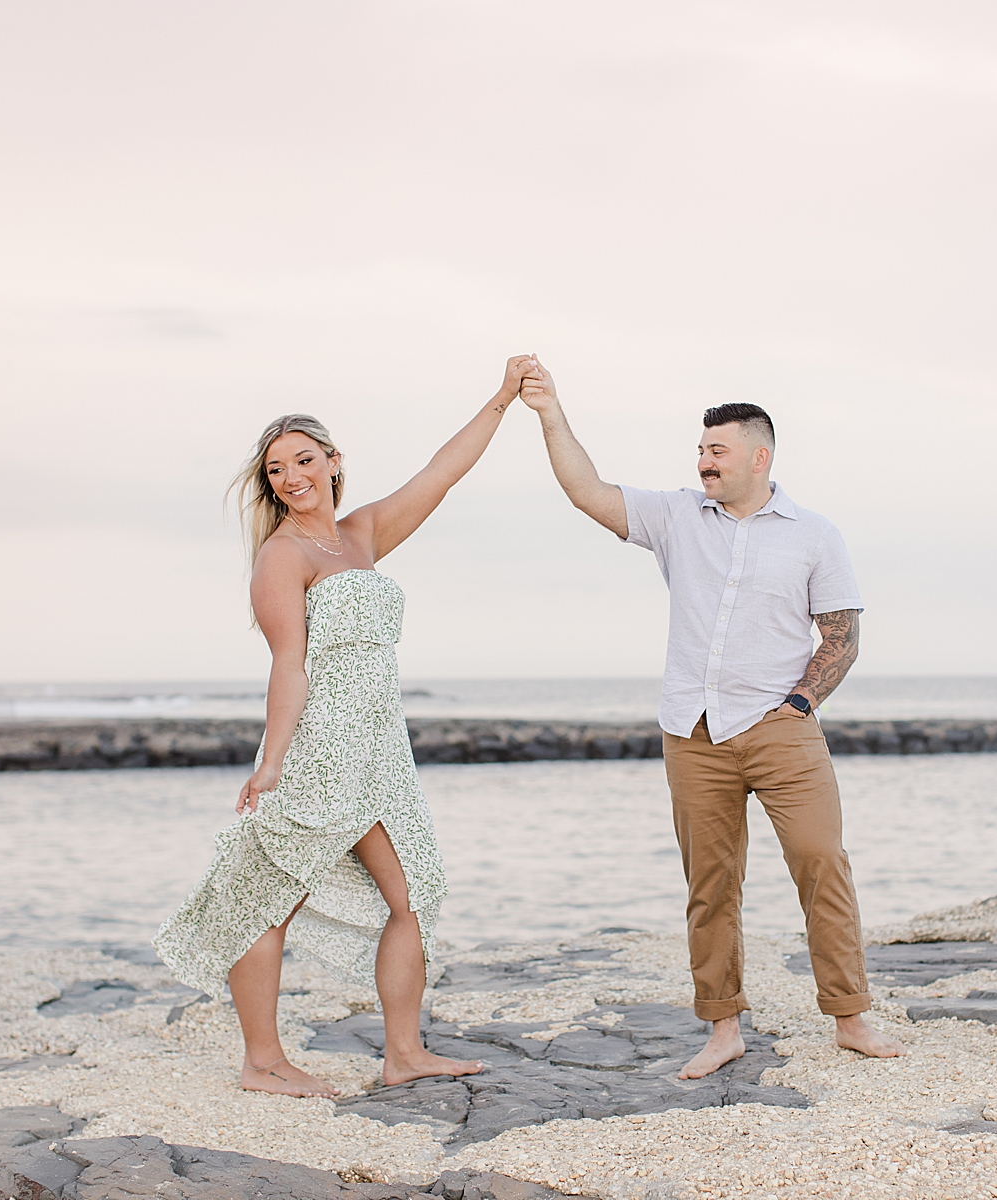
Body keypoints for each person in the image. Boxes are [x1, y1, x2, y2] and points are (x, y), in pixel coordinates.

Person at [155, 356, 535, 1096]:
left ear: (333, 462)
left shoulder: (361, 535)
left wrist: (500, 400)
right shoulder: (282, 556)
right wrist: (270, 764)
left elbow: (440, 474)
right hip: (323, 751)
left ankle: (403, 1052)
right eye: (276, 470)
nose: (291, 476)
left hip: (382, 755)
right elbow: (289, 666)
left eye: (303, 459)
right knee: (265, 897)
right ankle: (261, 1062)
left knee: (412, 894)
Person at [517, 362, 907, 1078]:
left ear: (759, 457)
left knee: (822, 862)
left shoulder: (815, 535)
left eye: (716, 452)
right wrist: (548, 411)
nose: (702, 463)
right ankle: (723, 1028)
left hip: (780, 729)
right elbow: (585, 491)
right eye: (700, 451)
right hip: (692, 734)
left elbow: (842, 638)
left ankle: (850, 1017)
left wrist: (798, 706)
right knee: (711, 884)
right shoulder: (674, 517)